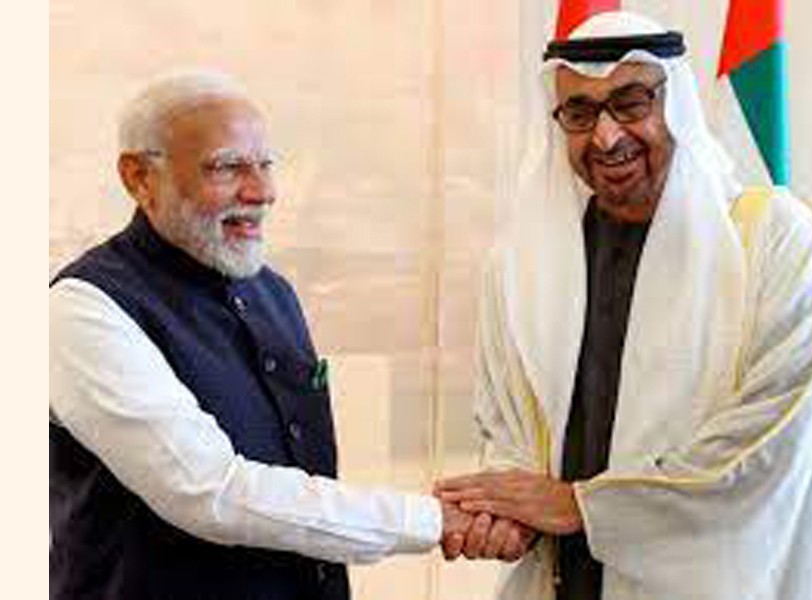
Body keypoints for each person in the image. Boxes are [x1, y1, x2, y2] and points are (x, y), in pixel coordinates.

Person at [436, 10, 812, 600]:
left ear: (674, 104)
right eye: (579, 113)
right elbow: (505, 422)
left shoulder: (773, 240)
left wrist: (582, 506)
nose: (606, 137)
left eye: (630, 104)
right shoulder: (520, 264)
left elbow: (774, 438)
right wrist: (505, 512)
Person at [49, 71, 496, 600]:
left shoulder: (272, 292)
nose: (263, 192)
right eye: (227, 167)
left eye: (265, 165)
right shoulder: (82, 308)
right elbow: (211, 492)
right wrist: (433, 520)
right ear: (139, 177)